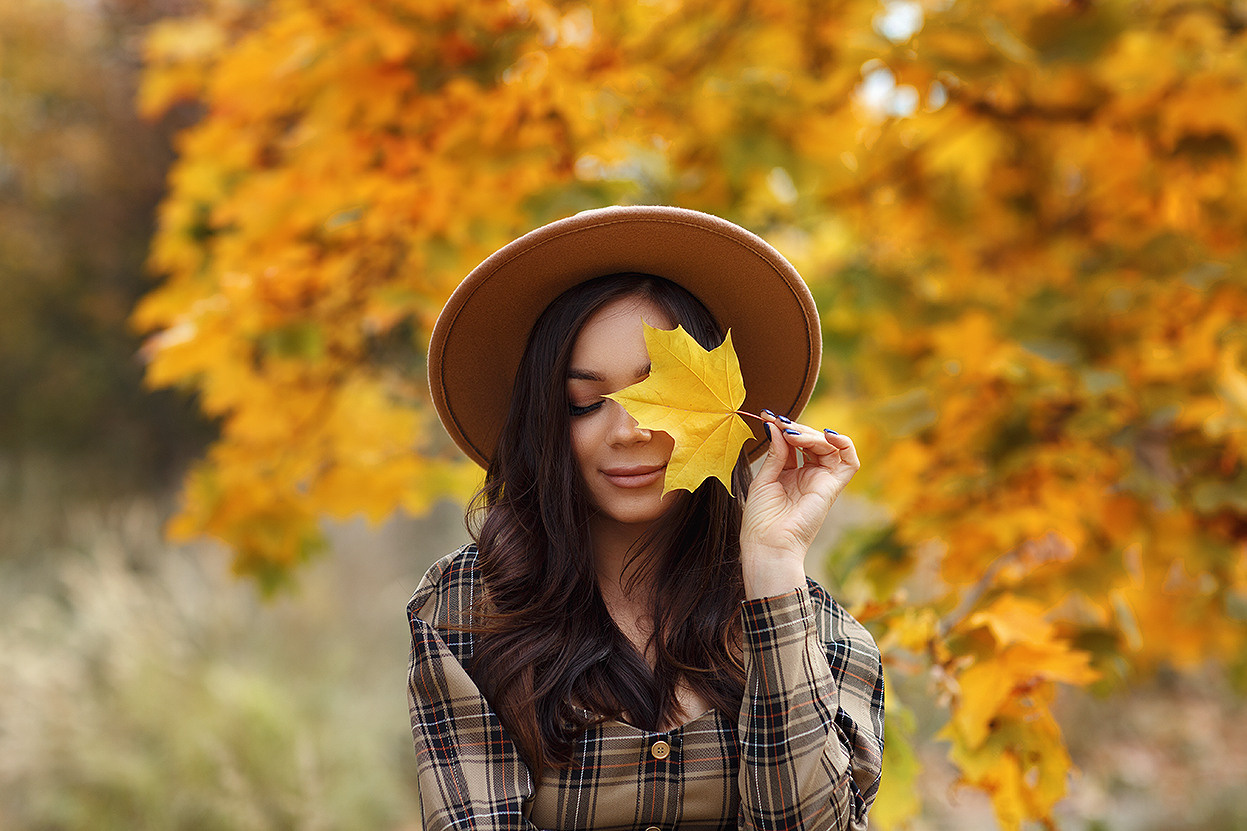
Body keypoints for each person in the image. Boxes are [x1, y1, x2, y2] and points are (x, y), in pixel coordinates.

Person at [408, 206, 884, 831]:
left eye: (658, 396)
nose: (629, 431)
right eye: (584, 402)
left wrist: (773, 567)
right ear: (546, 422)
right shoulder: (467, 608)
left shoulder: (821, 633)